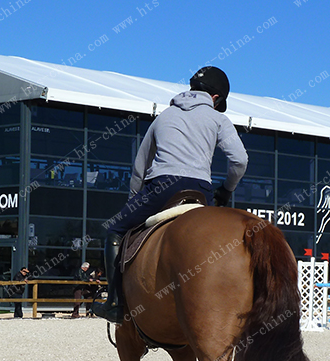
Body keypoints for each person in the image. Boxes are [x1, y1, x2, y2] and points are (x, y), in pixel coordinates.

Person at [93, 66, 249, 323]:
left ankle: (115, 303)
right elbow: (240, 161)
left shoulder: (164, 117)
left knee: (115, 230)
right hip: (200, 191)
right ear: (216, 98)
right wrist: (227, 189)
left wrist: (135, 201)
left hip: (160, 188)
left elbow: (139, 168)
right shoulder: (219, 119)